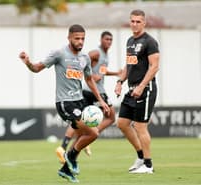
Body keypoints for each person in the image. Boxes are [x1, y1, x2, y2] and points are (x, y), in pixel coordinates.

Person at [19, 24, 110, 183]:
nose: (80, 41)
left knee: (84, 135)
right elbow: (37, 68)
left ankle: (66, 170)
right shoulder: (59, 54)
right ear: (69, 38)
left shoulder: (85, 58)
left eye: (83, 38)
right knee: (93, 133)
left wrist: (101, 100)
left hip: (79, 101)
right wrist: (28, 62)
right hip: (64, 103)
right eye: (77, 38)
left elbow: (89, 79)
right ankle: (70, 156)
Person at [56, 31, 122, 163]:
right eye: (106, 39)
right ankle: (88, 136)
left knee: (79, 119)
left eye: (110, 40)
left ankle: (64, 146)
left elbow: (101, 71)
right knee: (111, 117)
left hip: (88, 91)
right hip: (94, 90)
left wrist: (115, 73)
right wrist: (89, 75)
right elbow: (83, 62)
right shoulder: (96, 53)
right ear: (101, 40)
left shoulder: (105, 55)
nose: (109, 42)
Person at [114, 9, 159, 174]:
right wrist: (119, 82)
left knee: (140, 127)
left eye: (138, 21)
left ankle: (148, 166)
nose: (135, 24)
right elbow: (129, 65)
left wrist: (141, 86)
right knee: (122, 123)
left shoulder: (150, 42)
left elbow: (155, 67)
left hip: (145, 89)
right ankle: (141, 157)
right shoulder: (130, 41)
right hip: (131, 90)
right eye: (132, 21)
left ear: (144, 23)